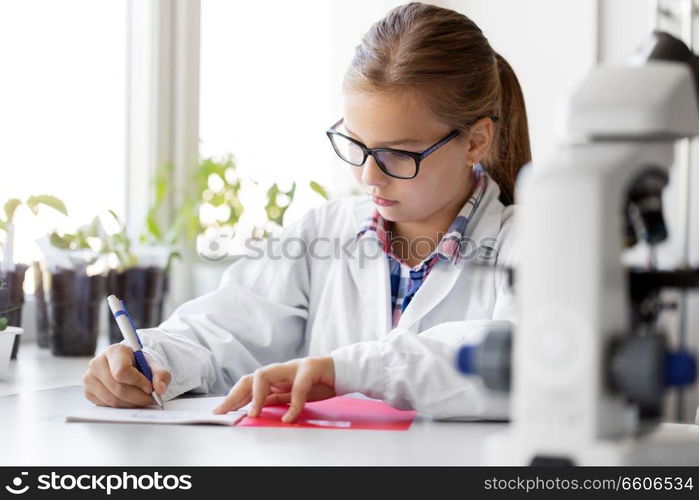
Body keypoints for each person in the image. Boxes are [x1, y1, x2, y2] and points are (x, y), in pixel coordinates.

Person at [82, 1, 531, 422]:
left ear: (476, 141)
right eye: (356, 144)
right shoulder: (325, 231)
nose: (369, 177)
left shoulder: (530, 241)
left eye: (398, 154)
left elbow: (519, 358)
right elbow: (223, 330)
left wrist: (348, 369)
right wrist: (152, 360)